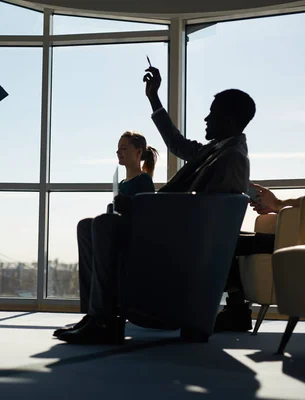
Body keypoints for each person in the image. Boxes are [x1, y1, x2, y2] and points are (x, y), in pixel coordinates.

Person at [56, 67, 255, 344]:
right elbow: (176, 143)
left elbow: (204, 213)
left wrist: (140, 208)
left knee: (103, 224)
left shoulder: (231, 157)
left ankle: (104, 319)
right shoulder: (217, 149)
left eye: (213, 113)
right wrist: (154, 99)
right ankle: (96, 314)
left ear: (230, 119)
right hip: (168, 225)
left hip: (175, 237)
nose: (206, 118)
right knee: (87, 226)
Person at [215, 105, 305, 332]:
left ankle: (236, 309)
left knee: (227, 240)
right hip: (303, 237)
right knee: (229, 238)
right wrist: (275, 210)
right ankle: (236, 307)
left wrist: (277, 203)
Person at [53, 131, 158, 337]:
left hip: (131, 240)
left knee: (99, 222)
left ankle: (100, 317)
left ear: (138, 152)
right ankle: (92, 314)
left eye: (124, 148)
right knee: (85, 226)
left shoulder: (143, 180)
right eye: (118, 149)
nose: (119, 152)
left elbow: (145, 217)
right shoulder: (123, 183)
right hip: (117, 234)